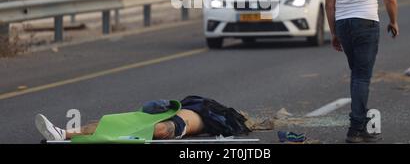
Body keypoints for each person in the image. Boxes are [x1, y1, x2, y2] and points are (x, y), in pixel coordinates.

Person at [322, 0, 399, 143]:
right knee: (361, 76)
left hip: (344, 23)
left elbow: (329, 4)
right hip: (366, 22)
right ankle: (356, 128)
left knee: (357, 73)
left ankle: (359, 123)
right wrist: (393, 21)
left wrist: (334, 33)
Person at [35, 95, 251, 142]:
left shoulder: (205, 113)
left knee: (160, 130)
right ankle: (63, 133)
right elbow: (148, 109)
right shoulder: (195, 103)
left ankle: (64, 133)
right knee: (115, 121)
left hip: (181, 122)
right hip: (163, 115)